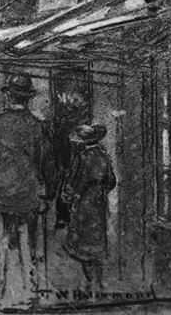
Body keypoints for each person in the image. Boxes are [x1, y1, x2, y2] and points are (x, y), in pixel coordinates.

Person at [0, 74, 51, 309]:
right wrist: (46, 192)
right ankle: (28, 294)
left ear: (8, 96)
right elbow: (47, 163)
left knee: (0, 244)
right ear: (27, 99)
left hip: (0, 192)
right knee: (27, 245)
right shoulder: (38, 126)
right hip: (28, 192)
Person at [62, 124, 116, 289]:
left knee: (84, 243)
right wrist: (101, 190)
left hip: (84, 204)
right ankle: (99, 280)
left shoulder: (82, 157)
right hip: (98, 203)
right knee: (98, 240)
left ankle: (89, 280)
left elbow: (72, 180)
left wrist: (68, 196)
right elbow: (111, 181)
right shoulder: (104, 157)